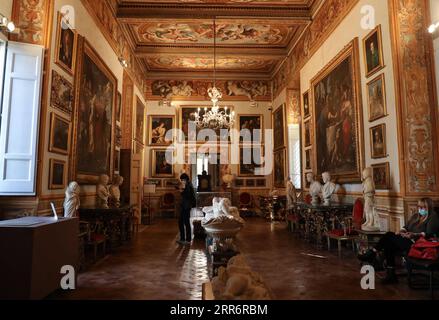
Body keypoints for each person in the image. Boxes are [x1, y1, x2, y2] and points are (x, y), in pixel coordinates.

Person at [358, 198, 439, 284]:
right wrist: (402, 231)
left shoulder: (433, 217)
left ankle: (373, 253)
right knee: (389, 244)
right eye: (419, 206)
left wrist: (414, 235)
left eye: (423, 207)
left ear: (428, 207)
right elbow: (406, 227)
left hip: (418, 245)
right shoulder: (416, 216)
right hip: (408, 240)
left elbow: (430, 234)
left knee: (389, 235)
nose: (420, 209)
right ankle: (390, 274)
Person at [177, 173, 197, 245]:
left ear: (185, 179)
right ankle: (185, 239)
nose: (182, 181)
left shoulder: (187, 185)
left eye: (182, 179)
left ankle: (186, 239)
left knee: (184, 222)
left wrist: (181, 191)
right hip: (186, 206)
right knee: (184, 222)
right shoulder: (189, 184)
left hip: (186, 206)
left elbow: (187, 195)